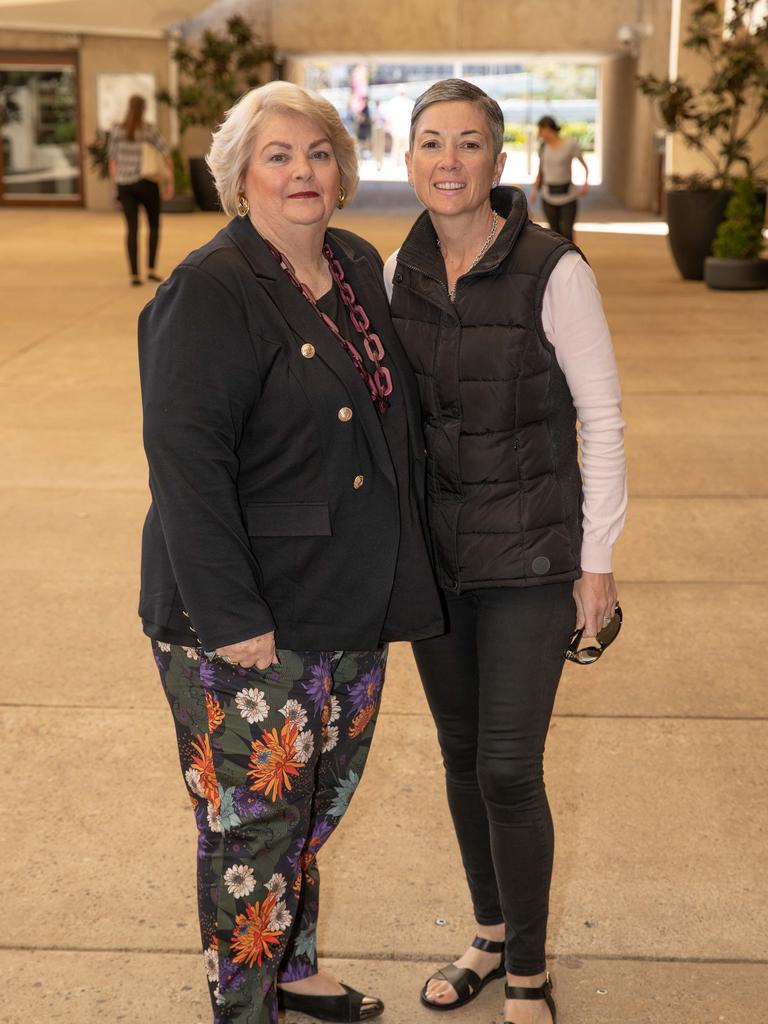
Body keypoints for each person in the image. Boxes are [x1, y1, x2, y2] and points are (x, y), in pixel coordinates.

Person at [138, 80, 443, 1024]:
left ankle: (295, 967)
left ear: (343, 173)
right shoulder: (209, 289)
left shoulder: (352, 262)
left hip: (349, 595)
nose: (302, 172)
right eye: (278, 156)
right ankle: (244, 1006)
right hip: (243, 616)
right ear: (239, 179)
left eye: (317, 154)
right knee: (253, 829)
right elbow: (187, 471)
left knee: (315, 805)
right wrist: (232, 618)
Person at [383, 79, 627, 1024]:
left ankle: (528, 971)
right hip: (437, 563)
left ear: (500, 160)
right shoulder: (395, 270)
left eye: (469, 142)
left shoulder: (552, 268)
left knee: (508, 769)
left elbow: (601, 419)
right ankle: (487, 932)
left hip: (530, 559)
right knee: (456, 756)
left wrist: (595, 559)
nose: (449, 160)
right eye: (431, 143)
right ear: (408, 162)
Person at [108, 95, 173, 286]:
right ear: (144, 109)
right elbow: (165, 154)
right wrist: (170, 182)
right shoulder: (149, 130)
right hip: (146, 183)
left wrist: (114, 187)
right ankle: (151, 269)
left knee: (132, 229)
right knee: (153, 226)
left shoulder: (117, 130)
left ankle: (134, 275)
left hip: (125, 184)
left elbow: (113, 161)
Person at [529, 115, 589, 242]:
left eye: (541, 130)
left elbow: (584, 165)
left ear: (548, 128)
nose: (540, 134)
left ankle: (572, 259)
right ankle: (559, 260)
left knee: (567, 232)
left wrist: (585, 183)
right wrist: (534, 190)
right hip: (548, 195)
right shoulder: (543, 147)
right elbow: (540, 171)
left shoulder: (570, 144)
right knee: (554, 233)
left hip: (568, 195)